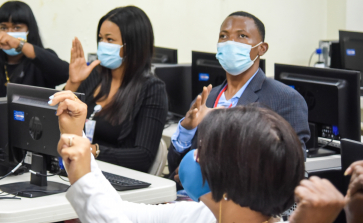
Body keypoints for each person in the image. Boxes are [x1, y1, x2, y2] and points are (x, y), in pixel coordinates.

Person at [50, 91, 347, 223]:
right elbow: (126, 216)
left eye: (206, 150)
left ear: (233, 178)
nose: (196, 157)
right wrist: (78, 138)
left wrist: (83, 174)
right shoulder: (204, 215)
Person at [167, 11, 310, 176]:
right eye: (223, 36)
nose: (230, 43)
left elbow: (291, 169)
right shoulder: (207, 98)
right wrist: (186, 130)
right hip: (191, 199)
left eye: (242, 36)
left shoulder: (285, 99)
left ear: (261, 49)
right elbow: (175, 170)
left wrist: (212, 166)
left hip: (245, 199)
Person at [65, 6, 168, 172]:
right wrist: (73, 82)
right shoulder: (95, 76)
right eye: (101, 38)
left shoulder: (152, 90)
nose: (103, 45)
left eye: (110, 40)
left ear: (133, 45)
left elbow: (143, 156)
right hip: (80, 168)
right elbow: (56, 120)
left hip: (115, 176)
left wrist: (94, 150)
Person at [0, 1, 69, 98]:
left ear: (29, 30)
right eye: (4, 28)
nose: (9, 34)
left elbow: (64, 73)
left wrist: (19, 44)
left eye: (17, 28)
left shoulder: (42, 58)